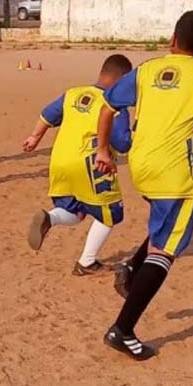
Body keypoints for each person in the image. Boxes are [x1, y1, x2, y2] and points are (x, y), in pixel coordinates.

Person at [95, 10, 193, 361]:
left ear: (172, 38)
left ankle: (129, 266)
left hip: (142, 168)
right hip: (178, 176)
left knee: (165, 223)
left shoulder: (146, 69)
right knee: (166, 250)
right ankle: (122, 329)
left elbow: (108, 105)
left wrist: (102, 148)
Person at [23, 54, 134, 275]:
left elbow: (47, 114)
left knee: (75, 211)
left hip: (59, 161)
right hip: (91, 165)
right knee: (110, 215)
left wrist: (34, 137)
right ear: (123, 79)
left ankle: (50, 218)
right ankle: (87, 262)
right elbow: (122, 143)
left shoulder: (73, 93)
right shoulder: (114, 103)